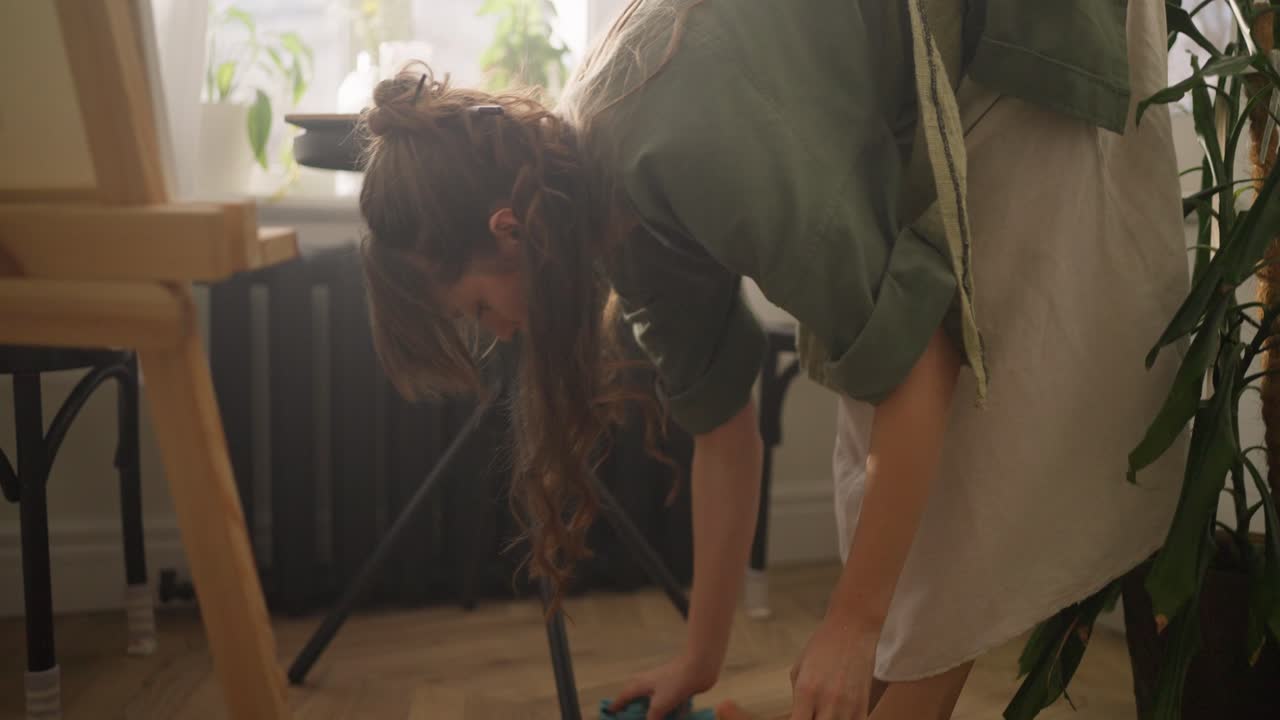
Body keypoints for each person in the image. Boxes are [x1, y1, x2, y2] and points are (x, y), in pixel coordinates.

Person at [354, 0, 1190, 718]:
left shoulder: (682, 147)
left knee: (951, 451)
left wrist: (852, 623)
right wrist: (701, 659)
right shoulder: (607, 215)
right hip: (925, 57)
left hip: (1015, 29)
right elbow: (723, 429)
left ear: (508, 230)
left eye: (475, 309)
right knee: (888, 483)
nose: (499, 333)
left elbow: (919, 360)